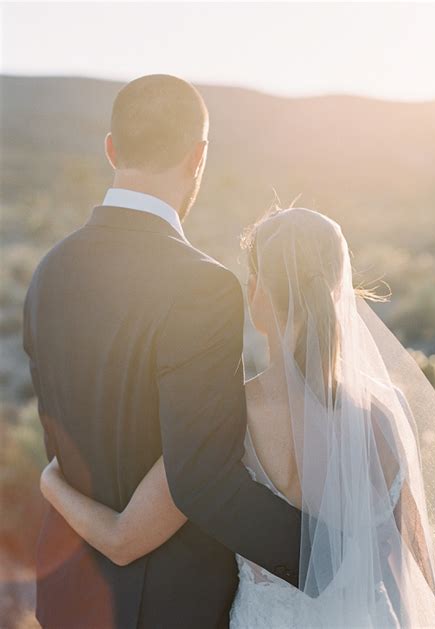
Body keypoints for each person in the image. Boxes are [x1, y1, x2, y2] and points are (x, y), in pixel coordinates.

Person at [41, 207, 435, 627]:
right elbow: (415, 562)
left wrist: (51, 484)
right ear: (340, 294)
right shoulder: (384, 414)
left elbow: (122, 540)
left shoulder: (229, 416)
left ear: (255, 296)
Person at [23, 74, 302, 629]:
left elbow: (61, 438)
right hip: (165, 607)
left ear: (110, 149)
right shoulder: (201, 285)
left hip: (67, 590)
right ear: (197, 158)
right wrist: (331, 556)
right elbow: (202, 477)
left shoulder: (46, 272)